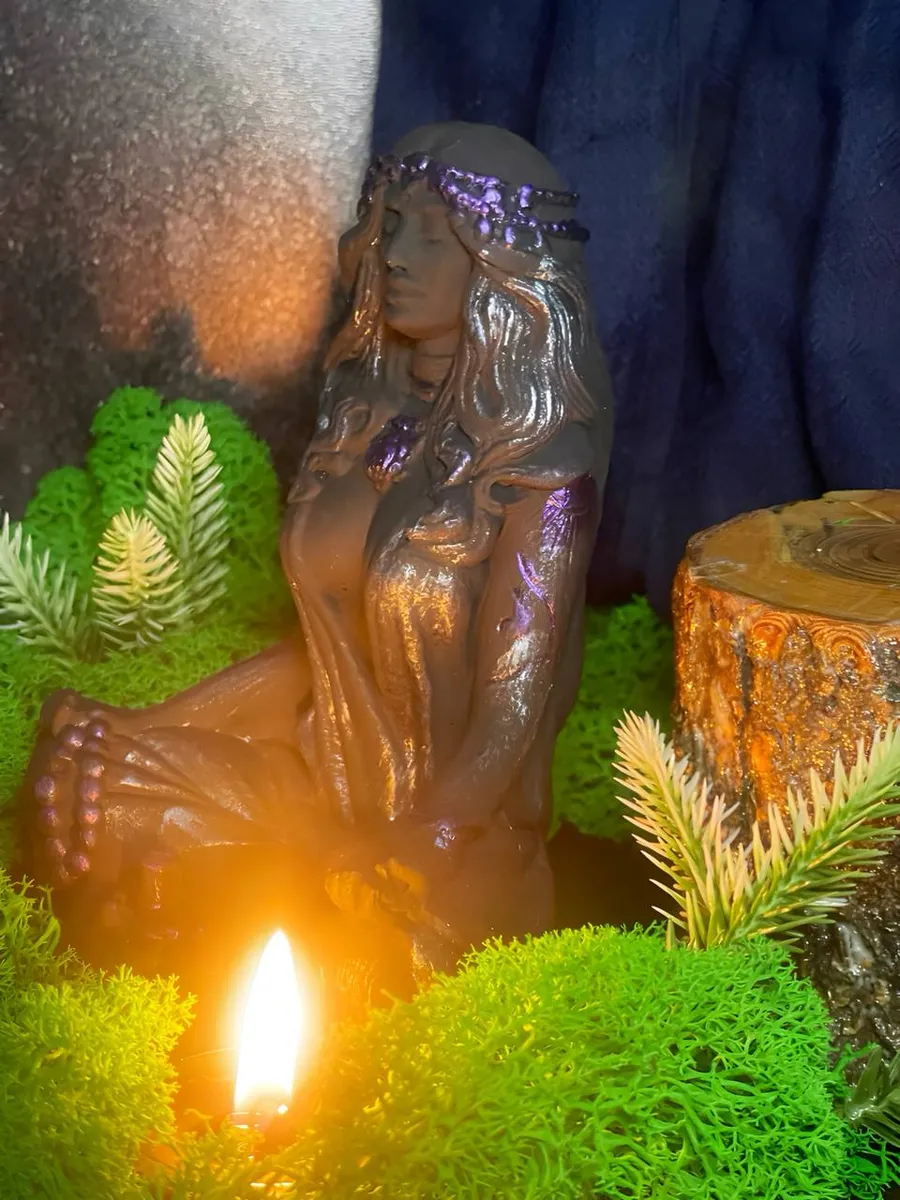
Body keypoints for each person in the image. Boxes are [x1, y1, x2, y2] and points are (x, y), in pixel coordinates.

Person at [23, 121, 612, 994]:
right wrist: (141, 728)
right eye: (390, 225)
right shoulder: (359, 409)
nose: (396, 255)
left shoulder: (542, 472)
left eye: (434, 236)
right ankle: (190, 960)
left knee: (348, 946)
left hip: (444, 843)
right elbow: (322, 661)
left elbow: (511, 711)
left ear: (504, 268)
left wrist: (428, 838)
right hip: (318, 786)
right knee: (99, 794)